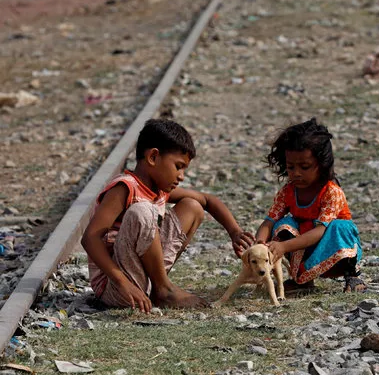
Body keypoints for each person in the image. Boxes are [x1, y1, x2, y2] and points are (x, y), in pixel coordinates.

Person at [81, 119, 254, 312]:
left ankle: (158, 286)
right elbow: (90, 238)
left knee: (192, 207)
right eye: (178, 166)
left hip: (142, 280)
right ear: (153, 157)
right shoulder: (125, 188)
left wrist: (235, 231)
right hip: (115, 287)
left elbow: (207, 200)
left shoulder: (159, 189)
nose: (181, 176)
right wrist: (122, 282)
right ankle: (163, 288)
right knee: (143, 210)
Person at [254, 118, 365, 293]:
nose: (296, 173)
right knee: (282, 225)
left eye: (304, 167)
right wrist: (260, 243)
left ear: (321, 165)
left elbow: (321, 231)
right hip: (305, 247)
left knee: (339, 227)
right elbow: (269, 221)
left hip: (334, 250)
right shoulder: (287, 192)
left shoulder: (331, 192)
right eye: (291, 167)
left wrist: (283, 247)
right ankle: (303, 281)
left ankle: (352, 276)